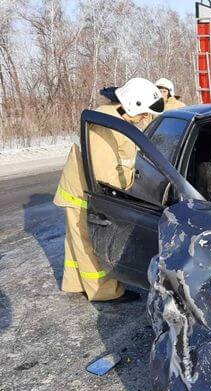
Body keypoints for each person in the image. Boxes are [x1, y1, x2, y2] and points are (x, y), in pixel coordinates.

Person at [54, 78, 164, 302]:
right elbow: (105, 176)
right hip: (86, 194)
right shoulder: (107, 127)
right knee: (90, 242)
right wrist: (123, 199)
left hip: (78, 190)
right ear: (132, 104)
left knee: (77, 239)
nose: (145, 118)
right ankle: (104, 292)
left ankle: (74, 283)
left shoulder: (111, 118)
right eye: (144, 113)